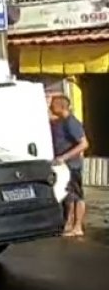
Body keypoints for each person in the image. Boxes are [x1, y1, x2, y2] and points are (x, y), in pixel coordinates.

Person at [51, 95, 89, 238]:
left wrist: (63, 157)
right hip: (65, 167)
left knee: (77, 195)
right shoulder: (60, 122)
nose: (50, 107)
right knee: (68, 196)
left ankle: (78, 226)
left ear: (61, 106)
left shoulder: (71, 123)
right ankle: (69, 224)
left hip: (72, 166)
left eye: (53, 105)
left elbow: (84, 144)